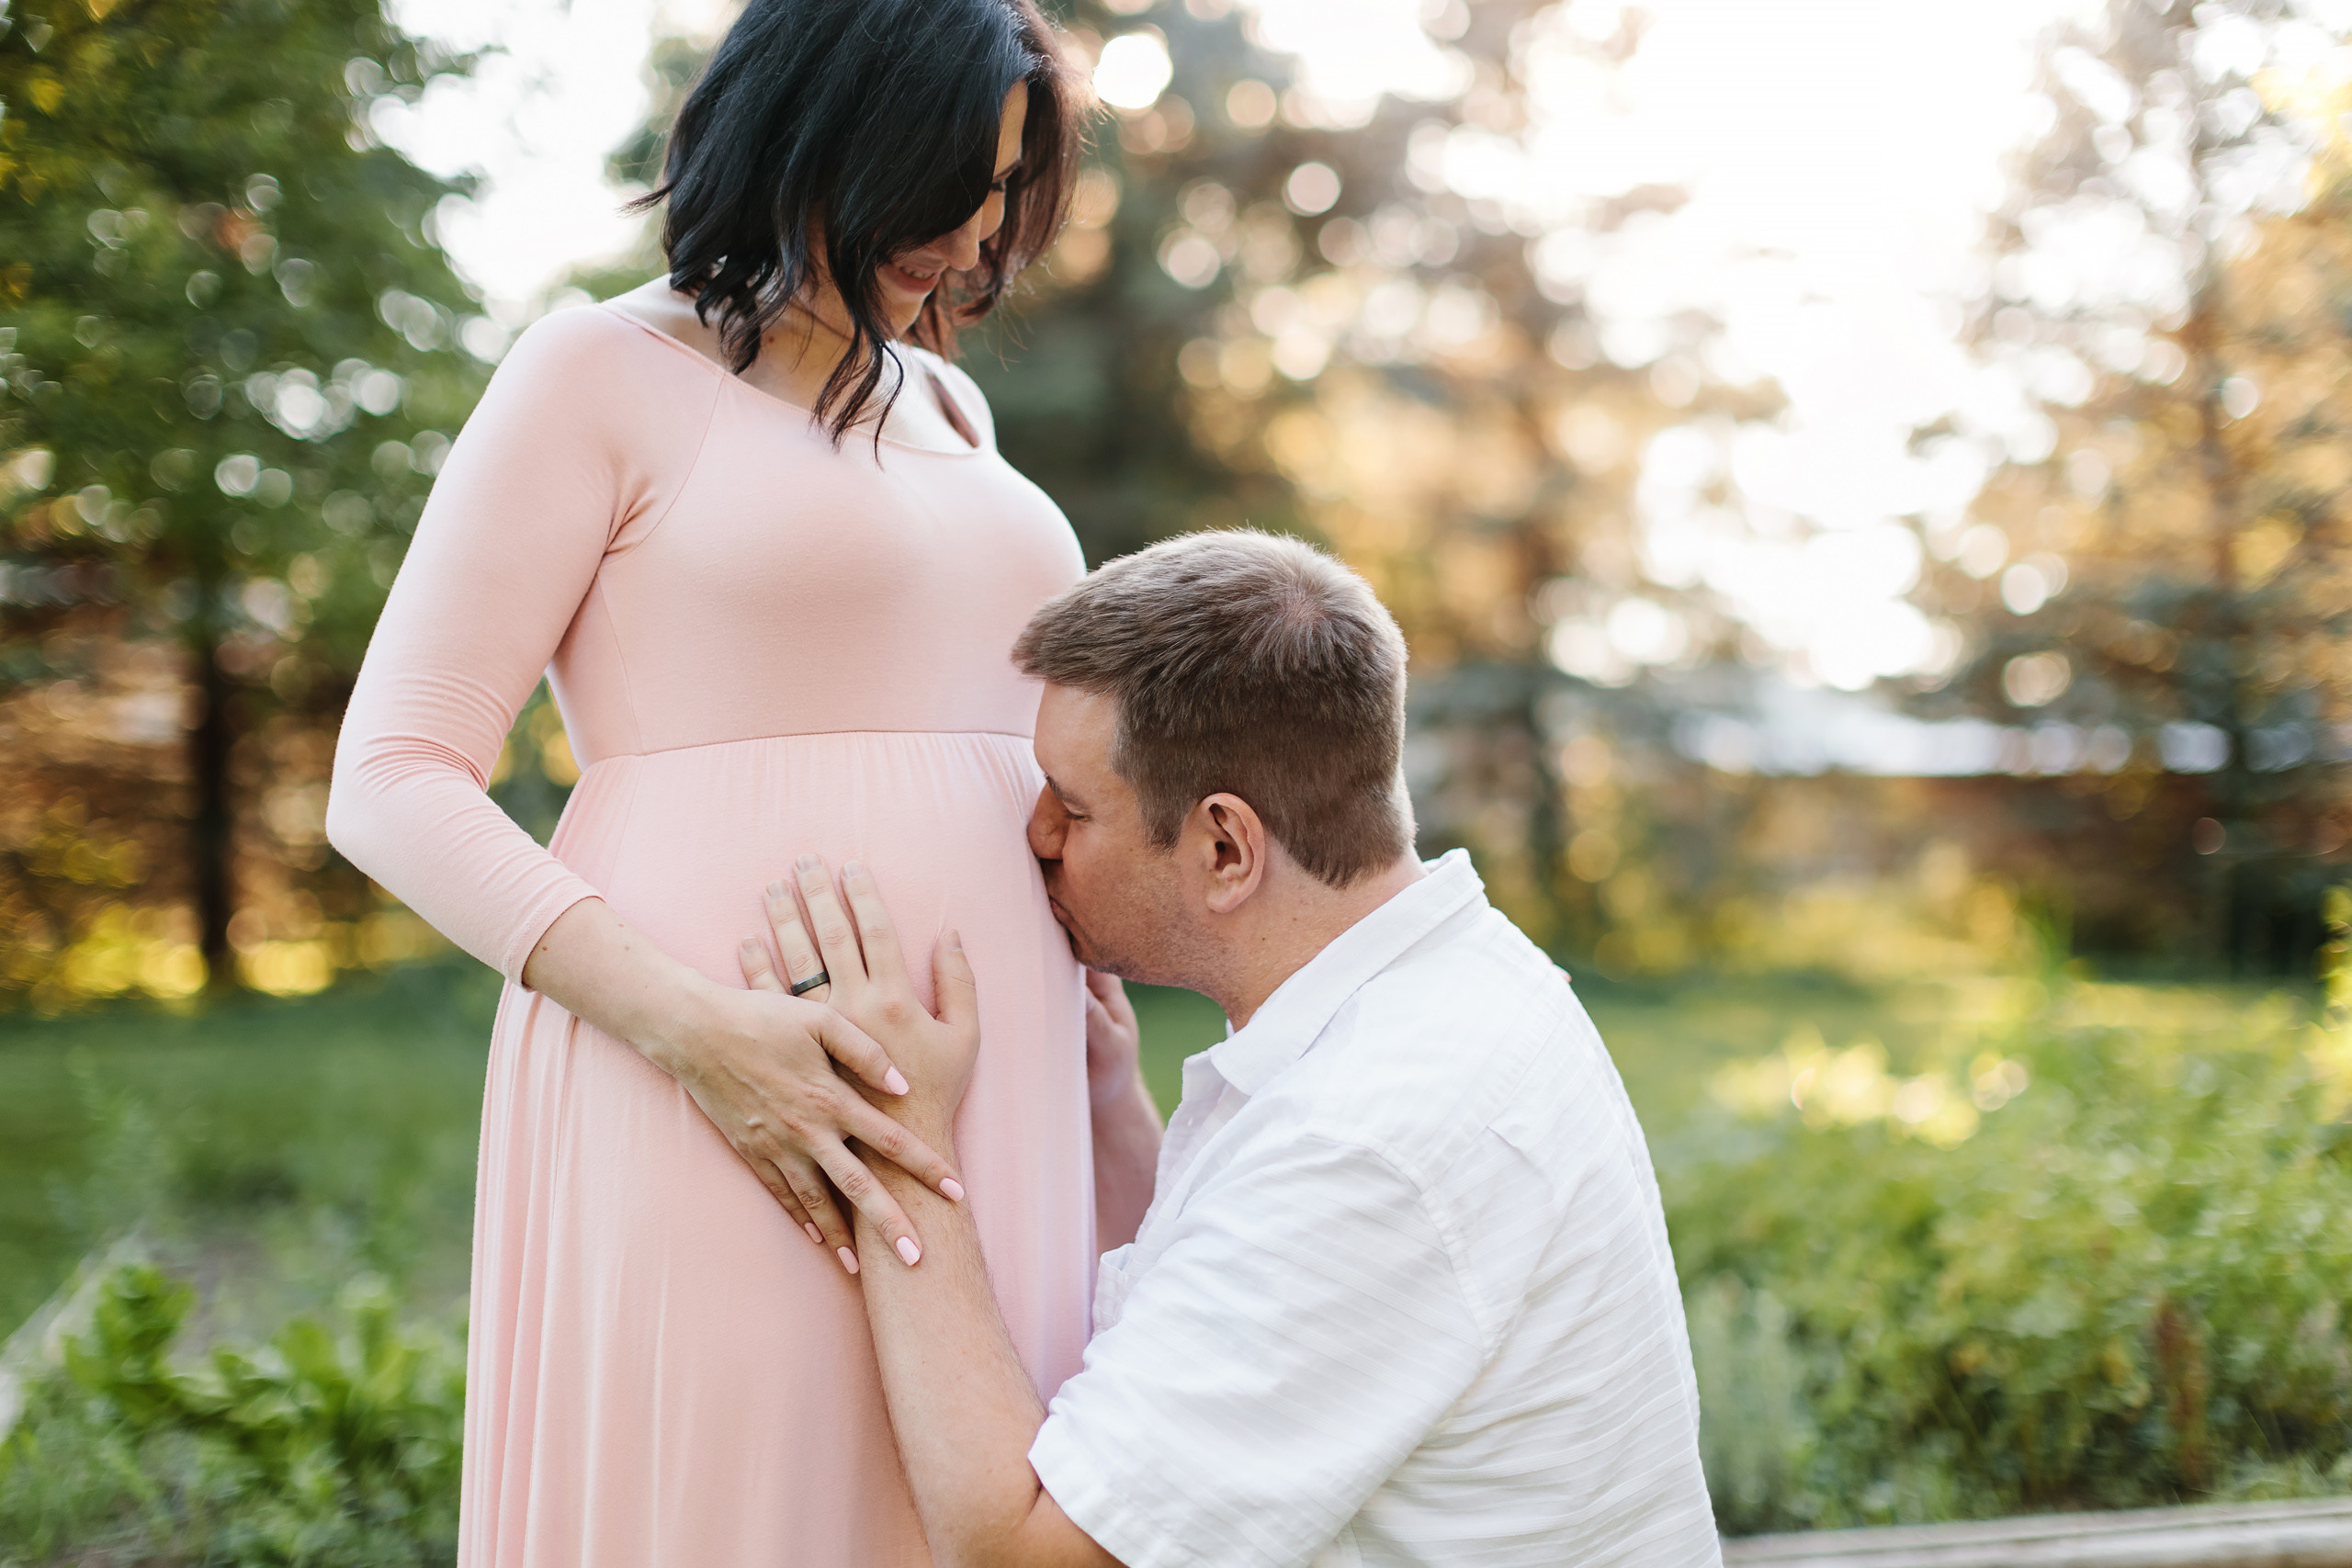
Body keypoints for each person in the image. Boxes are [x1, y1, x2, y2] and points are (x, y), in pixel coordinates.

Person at [323, 3, 1127, 1562]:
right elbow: (392, 775)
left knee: (972, 1497)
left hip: (995, 1093)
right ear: (825, 124)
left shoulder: (953, 404)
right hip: (710, 1069)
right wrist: (709, 1041)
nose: (971, 231)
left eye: (1003, 186)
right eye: (947, 174)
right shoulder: (598, 371)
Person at [743, 531, 1724, 1568]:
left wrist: (899, 1142)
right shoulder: (1461, 985)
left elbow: (1026, 1555)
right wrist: (1115, 1109)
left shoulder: (1369, 1140)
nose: (1034, 835)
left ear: (1224, 847)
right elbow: (1222, 1304)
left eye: (1071, 806)